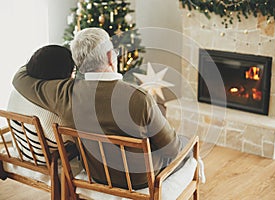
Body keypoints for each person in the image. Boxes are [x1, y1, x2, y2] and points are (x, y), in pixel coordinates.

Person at [13, 28, 189, 189]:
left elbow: (20, 77)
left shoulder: (65, 94)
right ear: (110, 56)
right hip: (140, 179)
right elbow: (172, 150)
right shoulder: (140, 98)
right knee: (185, 143)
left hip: (96, 175)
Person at [7, 45, 75, 161]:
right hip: (46, 163)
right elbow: (74, 139)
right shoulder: (53, 114)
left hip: (21, 152)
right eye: (72, 71)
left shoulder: (16, 91)